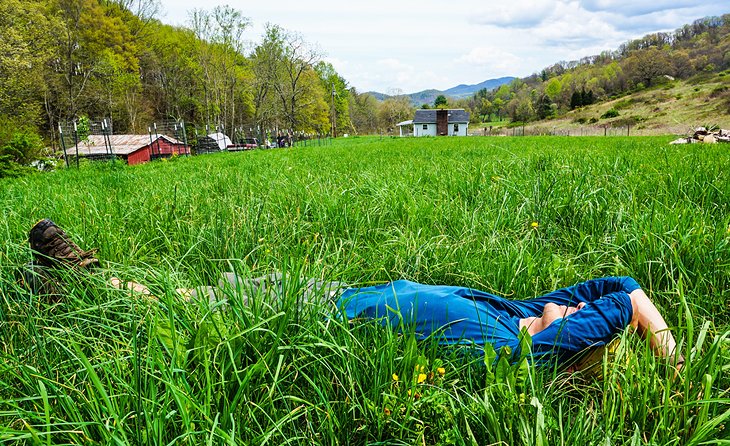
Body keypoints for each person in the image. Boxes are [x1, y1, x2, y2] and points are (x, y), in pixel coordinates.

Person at [23, 219, 682, 369]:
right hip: (331, 291)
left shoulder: (512, 352)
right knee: (197, 292)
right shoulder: (518, 313)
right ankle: (73, 287)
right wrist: (668, 352)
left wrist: (667, 362)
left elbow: (620, 307)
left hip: (311, 320)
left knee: (188, 308)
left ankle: (82, 283)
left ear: (571, 341)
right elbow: (622, 288)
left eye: (577, 318)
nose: (573, 304)